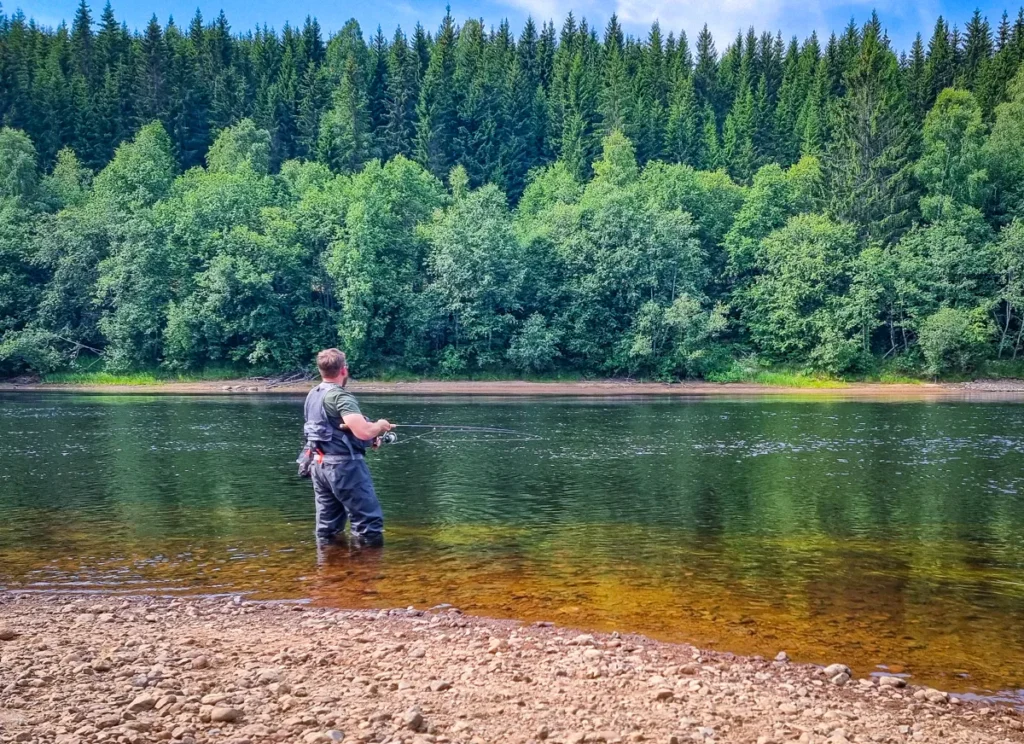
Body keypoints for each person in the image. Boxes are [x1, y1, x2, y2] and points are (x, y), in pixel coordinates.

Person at [302, 348, 392, 547]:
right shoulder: (339, 396)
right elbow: (363, 431)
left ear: (321, 370)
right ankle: (365, 574)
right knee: (369, 524)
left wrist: (367, 440)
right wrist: (379, 426)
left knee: (327, 527)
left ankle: (328, 572)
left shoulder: (313, 395)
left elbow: (330, 429)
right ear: (344, 370)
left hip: (319, 465)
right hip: (344, 468)